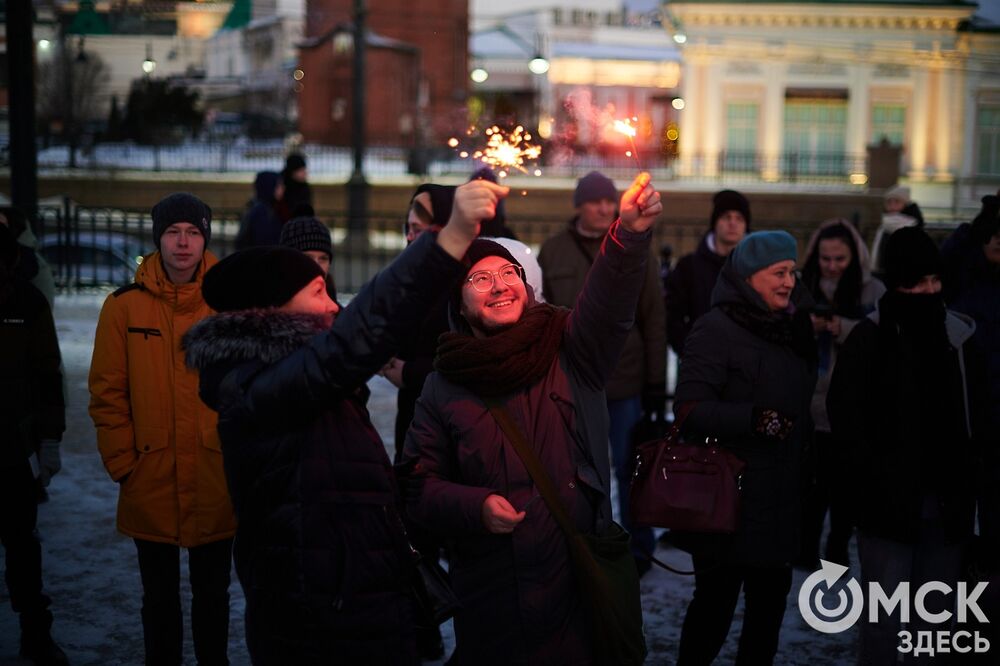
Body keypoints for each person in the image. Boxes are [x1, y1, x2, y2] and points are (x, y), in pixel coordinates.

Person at [182, 178, 501, 664]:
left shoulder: (298, 375)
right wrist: (448, 238)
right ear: (274, 309)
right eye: (317, 292)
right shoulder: (259, 387)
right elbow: (359, 334)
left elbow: (325, 475)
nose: (333, 303)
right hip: (318, 621)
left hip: (360, 604)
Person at [403, 173, 663, 664]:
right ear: (459, 302)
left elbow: (609, 304)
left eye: (508, 275)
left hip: (575, 586)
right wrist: (474, 506)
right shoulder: (444, 383)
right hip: (490, 599)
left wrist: (627, 236)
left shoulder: (570, 347)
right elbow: (417, 485)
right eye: (479, 279)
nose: (499, 286)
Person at [88, 193, 237, 666]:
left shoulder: (227, 308)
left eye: (193, 232)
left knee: (213, 602)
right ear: (158, 239)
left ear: (205, 238)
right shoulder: (122, 309)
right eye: (173, 232)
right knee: (159, 603)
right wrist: (123, 465)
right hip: (148, 475)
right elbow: (107, 393)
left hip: (215, 478)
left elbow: (245, 392)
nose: (183, 242)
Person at [828, 226, 987, 665]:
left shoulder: (958, 340)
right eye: (916, 283)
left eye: (934, 282)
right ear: (897, 284)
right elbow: (847, 423)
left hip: (948, 505)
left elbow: (981, 420)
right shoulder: (869, 341)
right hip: (886, 508)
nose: (928, 292)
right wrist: (868, 485)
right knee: (884, 624)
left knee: (935, 626)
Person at [673, 231, 818, 666]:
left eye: (792, 272)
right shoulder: (715, 330)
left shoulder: (792, 326)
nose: (789, 282)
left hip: (780, 497)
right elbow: (689, 409)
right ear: (748, 277)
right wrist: (753, 418)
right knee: (714, 611)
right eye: (778, 273)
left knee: (767, 615)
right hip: (728, 500)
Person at [537, 170, 666, 571]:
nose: (604, 208)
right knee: (578, 471)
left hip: (625, 380)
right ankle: (586, 542)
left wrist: (656, 383)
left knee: (631, 467)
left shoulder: (636, 245)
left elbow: (654, 317)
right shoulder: (553, 250)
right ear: (579, 204)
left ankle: (638, 546)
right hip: (572, 379)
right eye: (595, 201)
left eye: (609, 201)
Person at [797, 219, 885, 568]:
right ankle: (805, 548)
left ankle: (836, 549)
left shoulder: (871, 290)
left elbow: (878, 338)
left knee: (845, 490)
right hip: (809, 403)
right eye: (825, 259)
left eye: (840, 259)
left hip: (851, 405)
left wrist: (841, 328)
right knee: (811, 488)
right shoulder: (803, 286)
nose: (832, 266)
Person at [0, 225, 68, 666]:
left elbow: (47, 376)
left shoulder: (26, 302)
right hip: (18, 444)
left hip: (12, 449)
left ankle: (35, 635)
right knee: (24, 544)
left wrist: (49, 439)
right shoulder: (24, 301)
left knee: (23, 545)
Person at [665, 189, 751, 356]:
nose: (732, 223)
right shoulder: (688, 267)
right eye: (726, 217)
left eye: (739, 218)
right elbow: (672, 317)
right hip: (699, 360)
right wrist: (690, 351)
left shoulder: (758, 267)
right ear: (715, 222)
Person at [279, 215, 338, 302]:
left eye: (323, 259)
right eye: (307, 258)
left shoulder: (340, 313)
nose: (316, 266)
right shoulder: (265, 311)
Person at [870, 185, 925, 274]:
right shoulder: (884, 225)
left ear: (905, 204)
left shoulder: (912, 226)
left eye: (897, 201)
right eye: (889, 202)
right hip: (884, 271)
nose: (892, 205)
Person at [235, 171, 285, 250]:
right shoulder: (260, 212)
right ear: (269, 186)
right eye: (278, 185)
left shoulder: (268, 207)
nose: (282, 188)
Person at [278, 153, 313, 222]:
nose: (305, 173)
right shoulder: (280, 186)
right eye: (301, 170)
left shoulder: (304, 187)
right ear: (293, 172)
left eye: (304, 169)